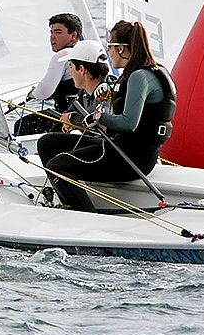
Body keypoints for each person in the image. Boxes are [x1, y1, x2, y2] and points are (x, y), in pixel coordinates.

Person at [41, 20, 176, 213]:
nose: (109, 53)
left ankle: (84, 215)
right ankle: (66, 197)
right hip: (122, 148)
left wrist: (97, 117)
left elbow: (129, 123)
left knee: (58, 165)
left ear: (121, 48)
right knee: (48, 143)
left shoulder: (138, 76)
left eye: (110, 47)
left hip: (131, 158)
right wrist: (111, 95)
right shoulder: (142, 71)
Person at [35, 40, 111, 168]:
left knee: (51, 148)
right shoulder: (83, 93)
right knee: (47, 141)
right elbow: (65, 119)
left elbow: (104, 124)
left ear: (81, 69)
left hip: (108, 150)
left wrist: (73, 120)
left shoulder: (109, 91)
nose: (70, 73)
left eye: (70, 67)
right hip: (95, 144)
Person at [13, 12, 84, 136]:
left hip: (67, 118)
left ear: (73, 35)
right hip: (83, 116)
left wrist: (31, 94)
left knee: (22, 124)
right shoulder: (85, 53)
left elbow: (44, 92)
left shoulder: (63, 55)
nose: (52, 37)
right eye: (51, 32)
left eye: (58, 32)